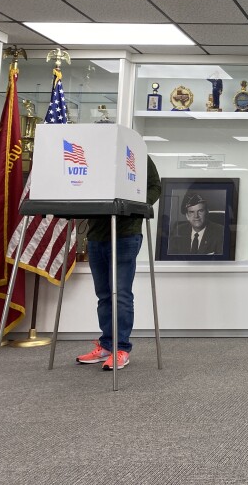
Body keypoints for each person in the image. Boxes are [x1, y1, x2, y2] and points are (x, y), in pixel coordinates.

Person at [75, 156, 161, 371]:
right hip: (96, 236)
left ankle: (121, 349)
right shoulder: (94, 154)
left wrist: (137, 206)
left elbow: (154, 186)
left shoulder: (134, 154)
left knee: (121, 295)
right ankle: (106, 346)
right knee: (103, 295)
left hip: (125, 234)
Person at [168, 191, 225, 255]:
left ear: (207, 212)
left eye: (200, 211)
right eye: (192, 212)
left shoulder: (221, 232)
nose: (196, 216)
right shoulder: (178, 231)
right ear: (187, 216)